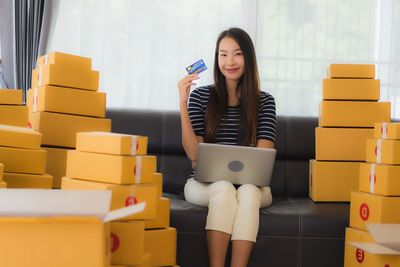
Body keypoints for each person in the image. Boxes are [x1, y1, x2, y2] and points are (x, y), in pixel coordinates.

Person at [177, 27, 276, 267]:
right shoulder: (201, 97)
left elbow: (263, 157)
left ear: (248, 58)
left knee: (248, 191)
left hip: (252, 186)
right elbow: (193, 154)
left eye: (237, 54)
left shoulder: (265, 101)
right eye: (223, 54)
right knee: (223, 188)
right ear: (216, 58)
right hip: (204, 186)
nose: (229, 61)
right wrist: (183, 102)